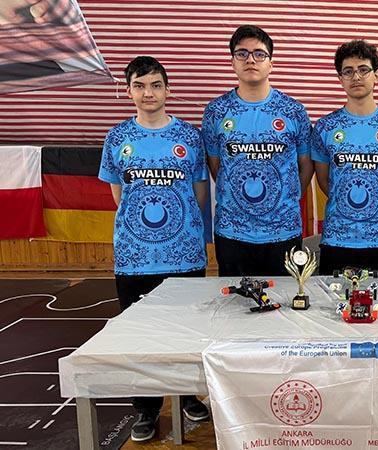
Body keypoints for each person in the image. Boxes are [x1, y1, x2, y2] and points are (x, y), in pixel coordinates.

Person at [98, 56, 210, 442]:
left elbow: (198, 193)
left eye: (156, 85)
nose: (149, 93)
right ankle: (146, 408)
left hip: (184, 254)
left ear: (167, 90)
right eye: (140, 85)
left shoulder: (189, 137)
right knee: (140, 334)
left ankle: (186, 396)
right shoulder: (117, 138)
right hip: (135, 257)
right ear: (128, 91)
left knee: (186, 330)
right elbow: (119, 196)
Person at [201, 25, 313, 276]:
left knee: (286, 298)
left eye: (259, 54)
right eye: (242, 53)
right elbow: (216, 165)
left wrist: (288, 196)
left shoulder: (293, 111)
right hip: (232, 231)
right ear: (232, 62)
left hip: (283, 230)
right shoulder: (216, 111)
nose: (250, 60)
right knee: (235, 299)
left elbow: (305, 165)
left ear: (271, 63)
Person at [311, 40, 378, 275]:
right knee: (333, 299)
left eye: (363, 69)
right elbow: (325, 182)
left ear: (377, 74)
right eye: (348, 71)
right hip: (338, 239)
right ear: (340, 78)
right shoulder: (325, 127)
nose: (356, 77)